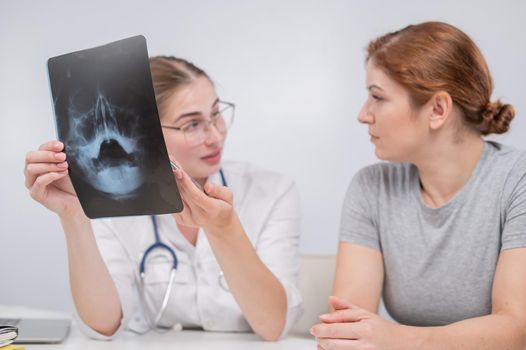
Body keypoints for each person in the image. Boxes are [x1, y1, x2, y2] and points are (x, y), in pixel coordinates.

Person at [24, 56, 302, 341]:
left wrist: (223, 228)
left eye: (216, 113)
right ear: (145, 133)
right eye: (192, 125)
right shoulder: (114, 205)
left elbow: (273, 326)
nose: (216, 136)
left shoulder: (272, 192)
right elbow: (103, 324)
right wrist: (73, 216)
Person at [311, 22, 526, 349]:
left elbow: (517, 330)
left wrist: (399, 339)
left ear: (437, 109)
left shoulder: (517, 180)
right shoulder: (371, 188)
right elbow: (347, 327)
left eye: (377, 98)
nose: (363, 115)